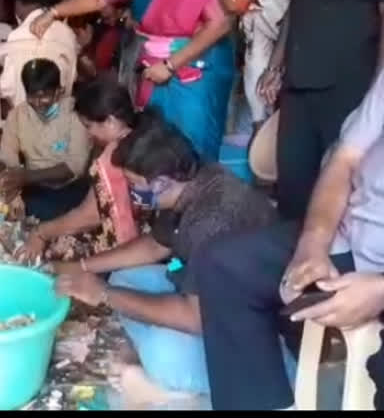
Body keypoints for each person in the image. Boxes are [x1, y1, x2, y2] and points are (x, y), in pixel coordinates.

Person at [195, 65, 384, 410]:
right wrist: (313, 244)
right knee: (225, 266)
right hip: (353, 238)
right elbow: (344, 158)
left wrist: (379, 290)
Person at [54, 115, 279, 398]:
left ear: (160, 182)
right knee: (126, 277)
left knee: (165, 353)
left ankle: (166, 383)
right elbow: (155, 246)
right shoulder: (195, 179)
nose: (133, 193)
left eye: (135, 185)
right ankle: (146, 354)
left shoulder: (211, 219)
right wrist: (81, 266)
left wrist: (104, 294)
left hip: (257, 338)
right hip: (218, 299)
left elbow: (195, 317)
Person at [31, 0, 235, 161]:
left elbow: (220, 24)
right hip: (153, 69)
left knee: (192, 148)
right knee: (156, 147)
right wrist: (53, 12)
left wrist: (171, 65)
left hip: (192, 70)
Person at [257, 0, 384, 221]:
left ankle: (330, 265)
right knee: (292, 187)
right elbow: (294, 6)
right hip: (298, 87)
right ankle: (291, 264)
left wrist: (377, 92)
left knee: (340, 189)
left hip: (349, 89)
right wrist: (275, 66)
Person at [19, 80, 138, 262]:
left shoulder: (115, 157)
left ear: (111, 121)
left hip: (127, 249)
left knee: (48, 253)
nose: (89, 134)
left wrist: (41, 232)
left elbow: (90, 215)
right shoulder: (139, 136)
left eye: (89, 126)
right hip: (142, 237)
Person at [0, 59, 91, 221]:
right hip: (35, 187)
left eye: (44, 96)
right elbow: (7, 156)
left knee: (45, 213)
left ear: (59, 91)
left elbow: (75, 167)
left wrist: (26, 177)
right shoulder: (17, 116)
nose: (37, 103)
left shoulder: (75, 113)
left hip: (70, 188)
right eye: (31, 96)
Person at [215, 0, 293, 133]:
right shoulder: (250, 17)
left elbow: (303, 16)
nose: (224, 14)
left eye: (222, 6)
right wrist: (258, 122)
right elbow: (255, 65)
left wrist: (275, 67)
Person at [0, 0, 78, 107]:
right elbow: (72, 77)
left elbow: (7, 87)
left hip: (26, 114)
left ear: (18, 4)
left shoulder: (17, 35)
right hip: (60, 113)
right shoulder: (67, 32)